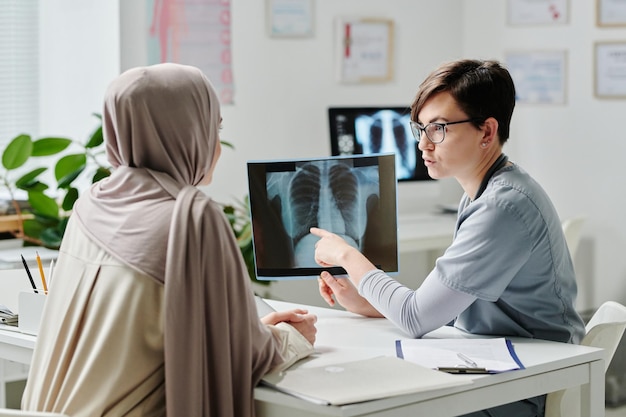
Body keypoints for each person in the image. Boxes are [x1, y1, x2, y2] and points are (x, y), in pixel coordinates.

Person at [21, 63, 317, 417]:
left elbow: (146, 336)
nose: (217, 146)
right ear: (187, 133)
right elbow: (247, 356)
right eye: (213, 129)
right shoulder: (190, 219)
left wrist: (241, 328)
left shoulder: (90, 204)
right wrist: (295, 337)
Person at [310, 59, 585, 417]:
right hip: (494, 362)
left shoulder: (503, 206)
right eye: (421, 128)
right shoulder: (483, 192)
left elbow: (415, 317)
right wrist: (366, 301)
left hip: (525, 383)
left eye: (439, 128)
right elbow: (443, 308)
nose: (423, 144)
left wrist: (348, 255)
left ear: (487, 132)